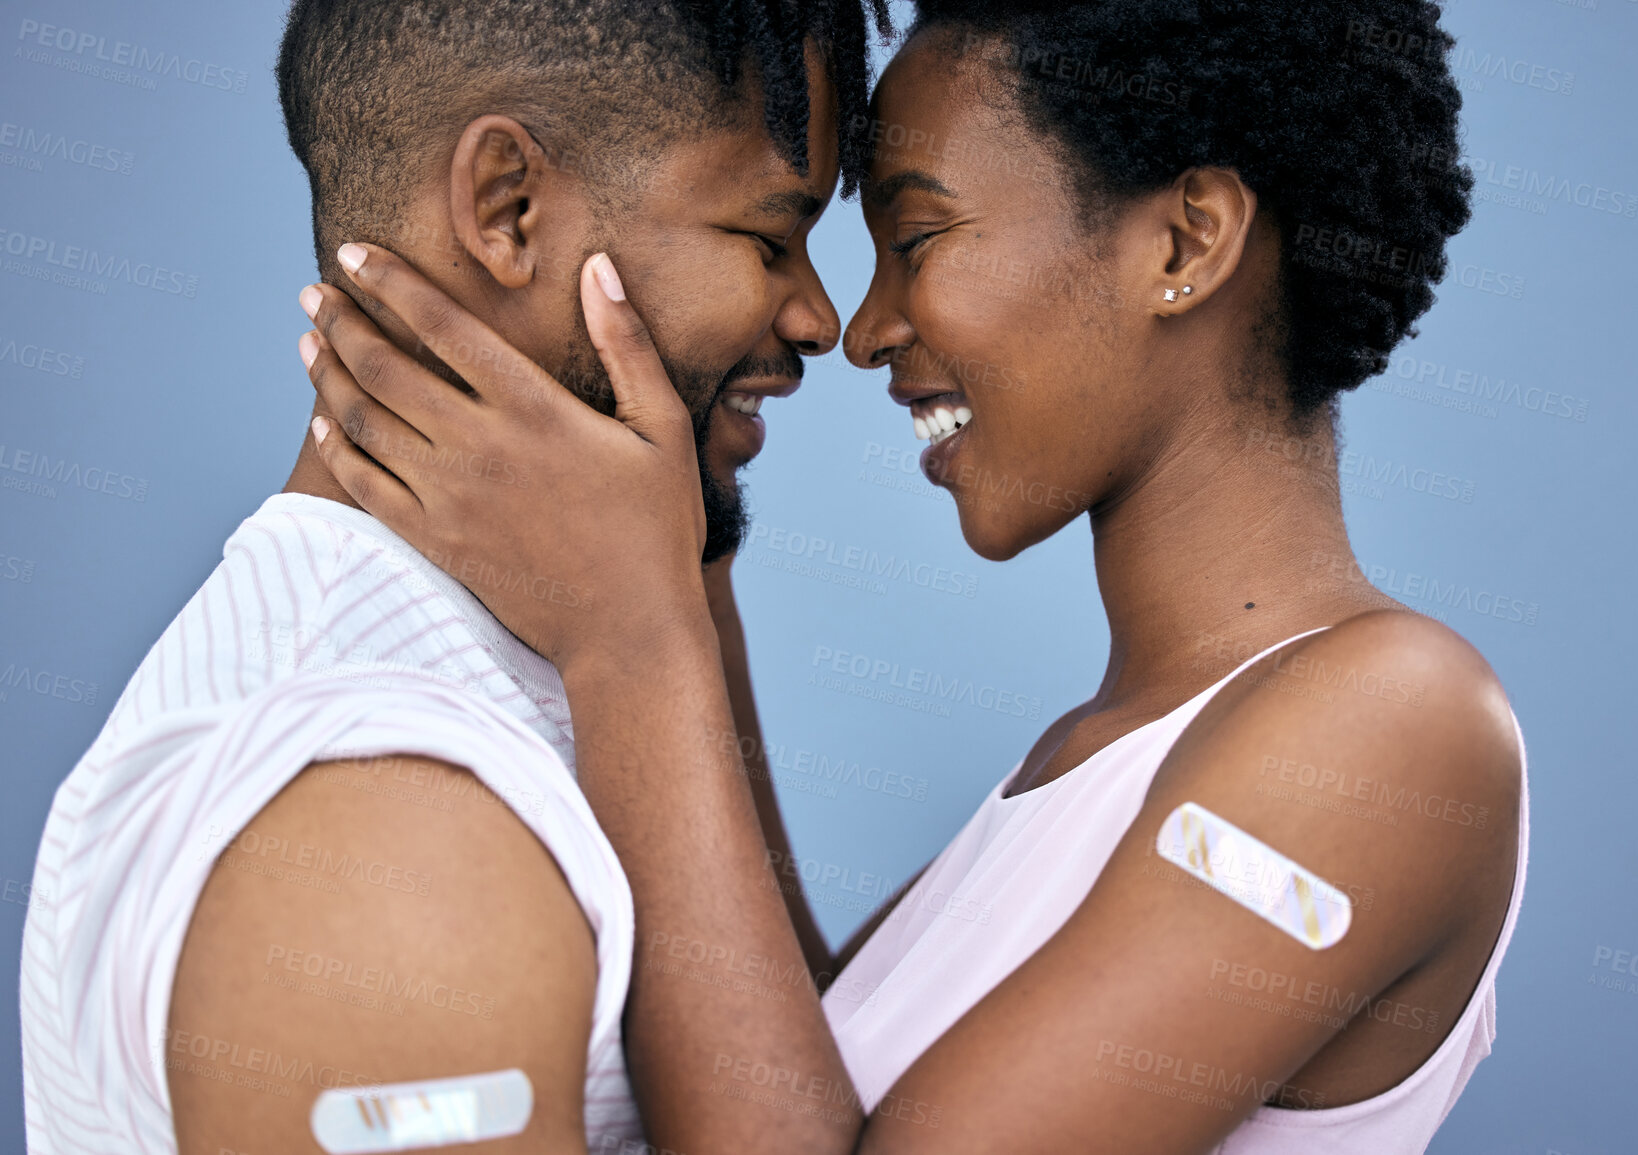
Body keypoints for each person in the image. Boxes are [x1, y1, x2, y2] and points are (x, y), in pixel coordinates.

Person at [301, 1, 1529, 1152]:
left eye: (922, 237)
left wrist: (632, 637)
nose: (865, 326)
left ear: (1185, 240)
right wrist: (687, 557)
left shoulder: (1394, 726)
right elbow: (794, 1078)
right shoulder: (1093, 759)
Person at [17, 1, 891, 1152]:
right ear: (506, 208)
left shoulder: (558, 648)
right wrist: (645, 639)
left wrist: (670, 607)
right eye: (769, 238)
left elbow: (795, 1037)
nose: (820, 318)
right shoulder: (380, 840)